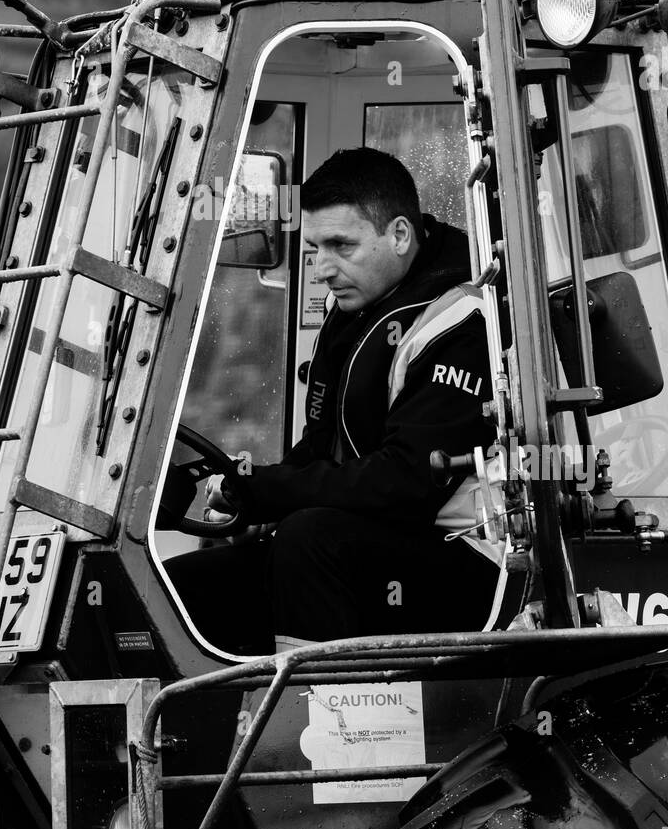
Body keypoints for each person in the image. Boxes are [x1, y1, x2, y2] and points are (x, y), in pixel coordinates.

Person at [166, 147, 502, 655]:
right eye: (315, 248)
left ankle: (316, 722)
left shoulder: (463, 318)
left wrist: (275, 492)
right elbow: (323, 451)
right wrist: (252, 493)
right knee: (180, 588)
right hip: (379, 545)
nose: (322, 269)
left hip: (471, 562)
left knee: (310, 539)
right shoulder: (358, 305)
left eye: (341, 246)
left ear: (400, 236)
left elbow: (410, 480)